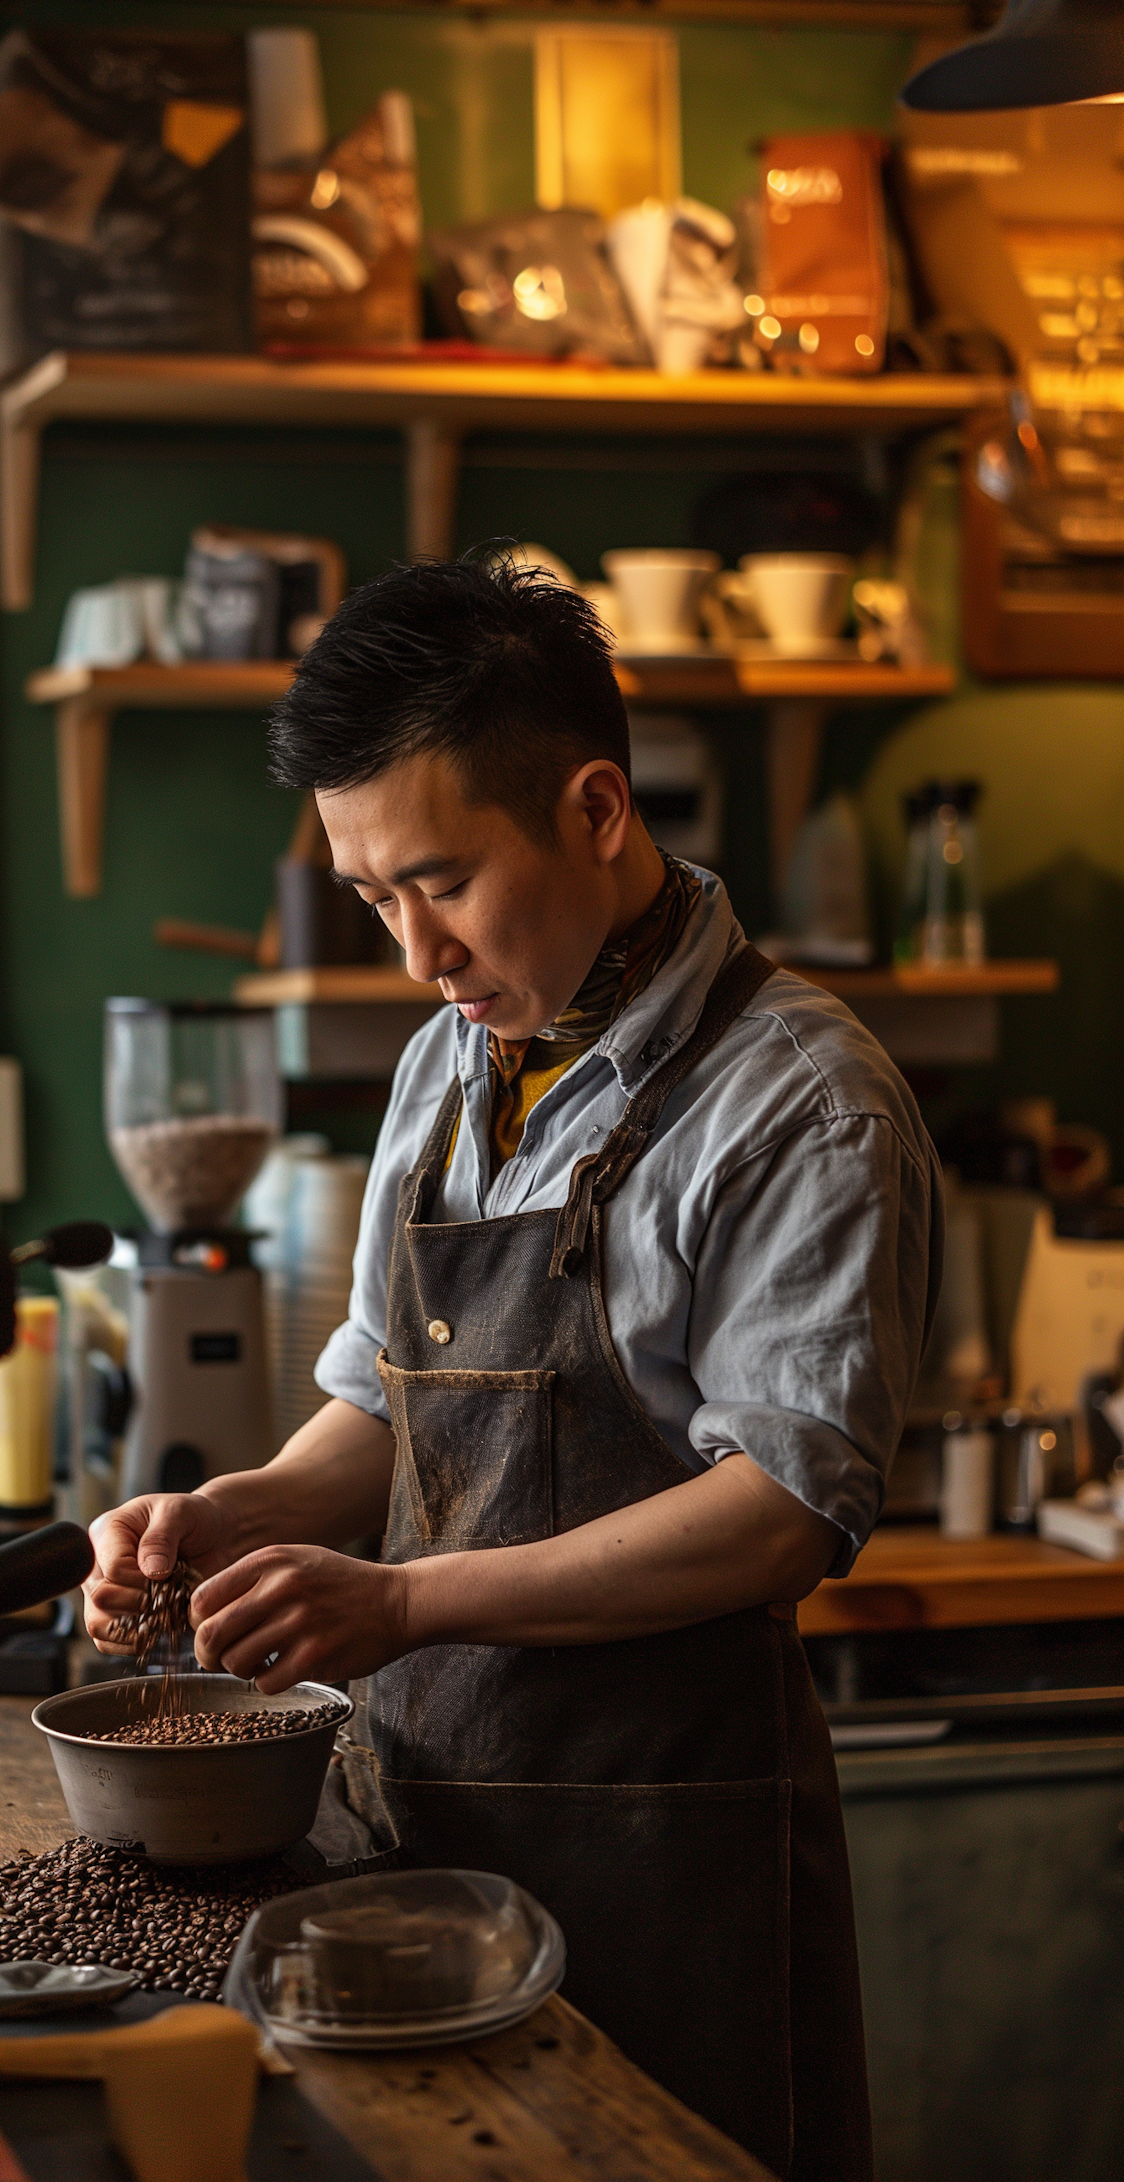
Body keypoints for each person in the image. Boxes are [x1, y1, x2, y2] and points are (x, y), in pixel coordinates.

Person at [85, 555, 942, 2180]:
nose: (415, 950)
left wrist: (400, 1602)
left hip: (669, 1851)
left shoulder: (801, 1102)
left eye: (443, 882)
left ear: (598, 807)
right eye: (370, 898)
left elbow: (778, 1516)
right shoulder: (448, 1061)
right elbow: (376, 1405)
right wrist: (232, 1507)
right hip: (427, 1830)